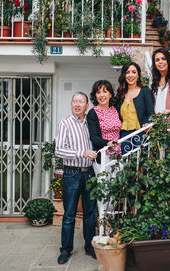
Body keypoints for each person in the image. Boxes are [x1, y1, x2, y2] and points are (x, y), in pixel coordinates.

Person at [55, 92, 98, 265]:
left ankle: (89, 246)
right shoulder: (64, 123)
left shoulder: (90, 123)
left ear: (87, 106)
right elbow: (58, 150)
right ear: (71, 104)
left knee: (90, 213)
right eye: (75, 102)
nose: (77, 104)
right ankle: (65, 249)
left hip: (89, 173)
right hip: (71, 174)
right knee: (69, 214)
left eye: (81, 102)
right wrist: (81, 153)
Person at [115, 62, 154, 155]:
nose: (130, 75)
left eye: (134, 72)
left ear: (138, 75)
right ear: (124, 75)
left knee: (140, 164)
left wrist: (147, 124)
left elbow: (151, 112)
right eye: (127, 72)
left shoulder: (145, 91)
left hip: (140, 133)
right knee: (126, 163)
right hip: (124, 135)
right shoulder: (120, 94)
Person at [87, 80, 121, 168]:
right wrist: (108, 143)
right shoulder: (93, 113)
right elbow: (93, 137)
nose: (102, 95)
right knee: (103, 181)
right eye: (98, 92)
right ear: (95, 96)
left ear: (110, 94)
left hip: (119, 154)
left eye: (105, 92)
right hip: (102, 155)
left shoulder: (116, 109)